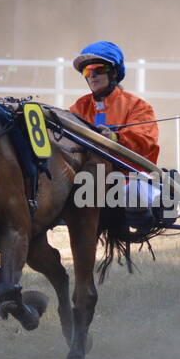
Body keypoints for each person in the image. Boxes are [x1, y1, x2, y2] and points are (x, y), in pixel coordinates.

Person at [70, 41, 161, 224]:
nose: (92, 75)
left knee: (134, 192)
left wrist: (115, 138)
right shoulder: (80, 106)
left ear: (114, 72)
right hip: (89, 183)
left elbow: (145, 139)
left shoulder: (138, 106)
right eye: (87, 71)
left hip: (129, 180)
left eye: (98, 69)